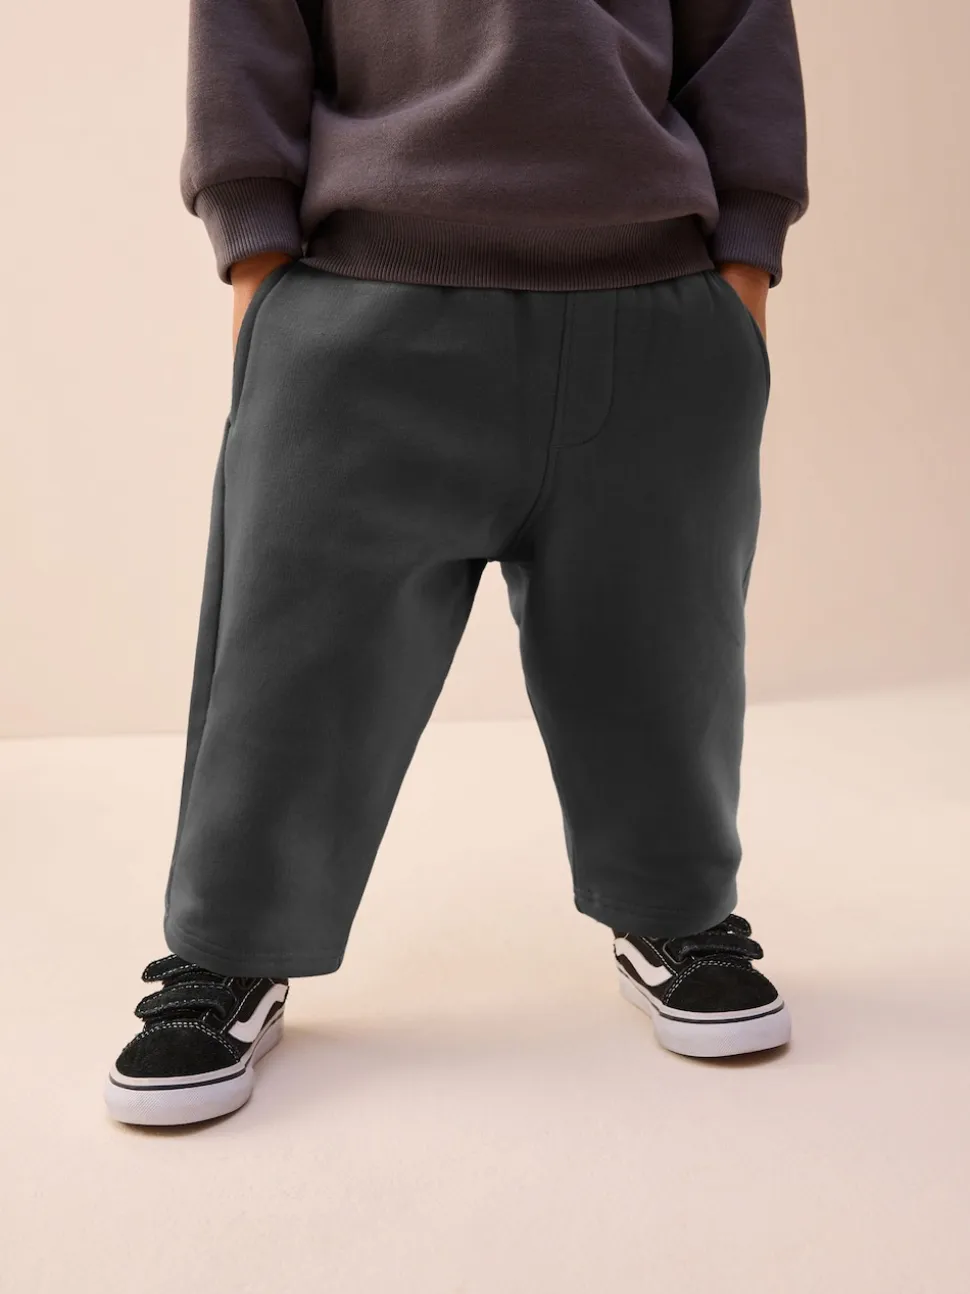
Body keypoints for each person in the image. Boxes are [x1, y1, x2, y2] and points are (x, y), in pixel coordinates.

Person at [104, 0, 808, 1126]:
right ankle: (228, 949)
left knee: (666, 653)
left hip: (655, 312)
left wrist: (743, 282)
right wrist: (259, 270)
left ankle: (676, 909)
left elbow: (741, 31)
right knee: (288, 668)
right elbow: (248, 28)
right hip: (363, 305)